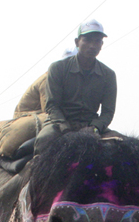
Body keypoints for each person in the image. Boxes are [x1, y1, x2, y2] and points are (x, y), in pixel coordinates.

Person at [34, 20, 117, 155]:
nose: (92, 45)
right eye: (87, 40)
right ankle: (35, 174)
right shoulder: (58, 68)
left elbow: (108, 112)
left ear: (101, 45)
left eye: (97, 41)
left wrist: (95, 128)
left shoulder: (108, 75)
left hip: (90, 126)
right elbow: (52, 105)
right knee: (44, 140)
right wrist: (65, 129)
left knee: (121, 146)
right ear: (77, 42)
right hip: (59, 124)